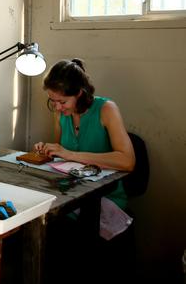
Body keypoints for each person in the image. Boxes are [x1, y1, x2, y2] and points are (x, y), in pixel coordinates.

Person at [34, 58, 135, 209]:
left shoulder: (107, 109)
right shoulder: (61, 113)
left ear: (79, 93)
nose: (57, 108)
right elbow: (60, 153)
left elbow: (128, 161)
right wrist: (48, 151)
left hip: (104, 197)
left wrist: (71, 154)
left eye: (62, 102)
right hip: (71, 192)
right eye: (52, 101)